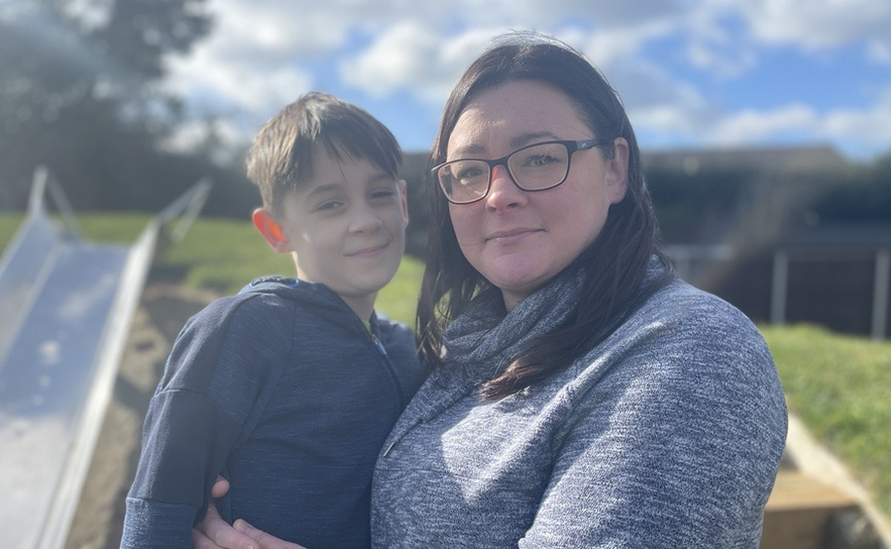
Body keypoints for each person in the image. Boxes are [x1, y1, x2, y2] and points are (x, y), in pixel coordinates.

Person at [194, 31, 788, 549]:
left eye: (538, 158)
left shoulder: (689, 352)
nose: (499, 194)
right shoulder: (465, 356)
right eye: (471, 171)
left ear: (615, 168)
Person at [120, 92, 425, 549]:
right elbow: (160, 500)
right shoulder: (242, 330)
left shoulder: (409, 350)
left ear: (402, 202)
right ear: (276, 231)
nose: (365, 220)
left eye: (379, 194)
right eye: (330, 204)